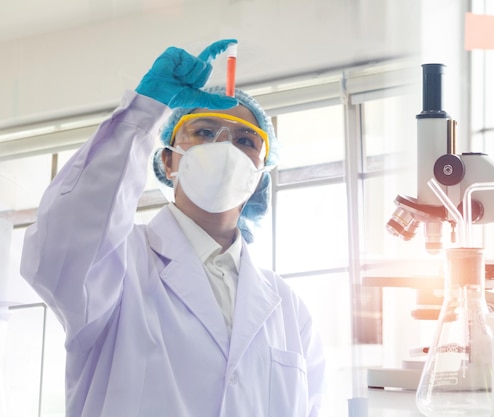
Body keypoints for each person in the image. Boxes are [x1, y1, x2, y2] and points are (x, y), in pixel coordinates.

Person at [20, 39, 325, 417]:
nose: (225, 147)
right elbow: (62, 241)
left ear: (260, 174)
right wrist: (145, 110)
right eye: (204, 132)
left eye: (246, 140)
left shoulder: (289, 309)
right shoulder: (117, 262)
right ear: (168, 160)